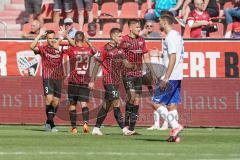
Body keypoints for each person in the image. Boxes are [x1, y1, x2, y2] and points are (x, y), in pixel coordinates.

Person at [90, 28, 137, 136]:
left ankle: (96, 129)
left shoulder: (120, 49)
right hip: (108, 79)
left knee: (107, 105)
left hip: (116, 80)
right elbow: (97, 65)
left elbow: (125, 63)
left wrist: (133, 66)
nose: (121, 38)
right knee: (116, 102)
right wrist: (92, 81)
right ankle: (124, 129)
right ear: (113, 36)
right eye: (119, 36)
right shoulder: (104, 49)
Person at [151, 12, 184, 142]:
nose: (159, 23)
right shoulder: (177, 35)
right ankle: (175, 136)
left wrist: (166, 77)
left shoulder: (170, 37)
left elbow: (173, 56)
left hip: (170, 75)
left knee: (155, 103)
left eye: (160, 21)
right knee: (171, 105)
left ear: (165, 22)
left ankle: (176, 126)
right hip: (177, 74)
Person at [121, 19, 156, 135]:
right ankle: (125, 125)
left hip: (138, 74)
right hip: (127, 74)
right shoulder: (124, 40)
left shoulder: (141, 40)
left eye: (139, 27)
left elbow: (146, 57)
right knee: (131, 96)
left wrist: (151, 72)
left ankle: (131, 128)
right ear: (130, 28)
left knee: (136, 100)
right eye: (136, 27)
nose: (139, 29)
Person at [30, 28, 65, 132]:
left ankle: (48, 122)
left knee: (56, 102)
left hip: (58, 78)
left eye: (54, 38)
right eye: (50, 38)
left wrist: (64, 35)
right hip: (47, 77)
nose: (52, 40)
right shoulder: (43, 49)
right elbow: (31, 47)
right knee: (49, 99)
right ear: (46, 39)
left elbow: (74, 44)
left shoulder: (60, 48)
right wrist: (39, 35)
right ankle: (52, 124)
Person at [63, 30, 96, 134]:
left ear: (75, 39)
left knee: (72, 105)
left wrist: (66, 36)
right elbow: (95, 51)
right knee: (84, 104)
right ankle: (85, 123)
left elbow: (69, 48)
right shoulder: (89, 50)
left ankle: (74, 127)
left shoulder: (71, 50)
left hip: (73, 81)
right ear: (83, 39)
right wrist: (88, 42)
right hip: (85, 81)